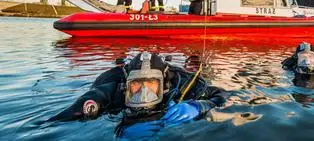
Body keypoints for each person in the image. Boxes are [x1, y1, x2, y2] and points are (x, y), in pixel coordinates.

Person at [48, 52, 227, 137]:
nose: (143, 92)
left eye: (151, 84)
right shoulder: (113, 90)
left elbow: (222, 96)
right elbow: (57, 121)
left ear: (164, 84)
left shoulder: (182, 84)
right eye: (136, 85)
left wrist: (200, 106)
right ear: (126, 85)